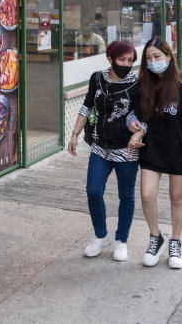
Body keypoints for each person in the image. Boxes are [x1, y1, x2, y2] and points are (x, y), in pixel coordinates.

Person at [127, 38, 182, 271]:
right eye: (149, 59)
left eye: (157, 57)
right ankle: (156, 238)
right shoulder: (143, 85)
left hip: (180, 149)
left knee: (177, 198)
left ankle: (175, 241)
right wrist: (136, 130)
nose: (153, 62)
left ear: (169, 57)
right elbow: (135, 115)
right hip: (152, 149)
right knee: (146, 195)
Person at [67, 40, 141, 262]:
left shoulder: (137, 84)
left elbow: (143, 116)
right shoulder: (97, 78)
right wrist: (74, 133)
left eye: (130, 60)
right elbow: (87, 105)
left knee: (126, 196)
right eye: (122, 60)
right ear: (110, 59)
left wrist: (138, 133)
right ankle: (101, 235)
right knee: (93, 191)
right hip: (100, 148)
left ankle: (121, 240)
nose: (126, 64)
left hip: (126, 150)